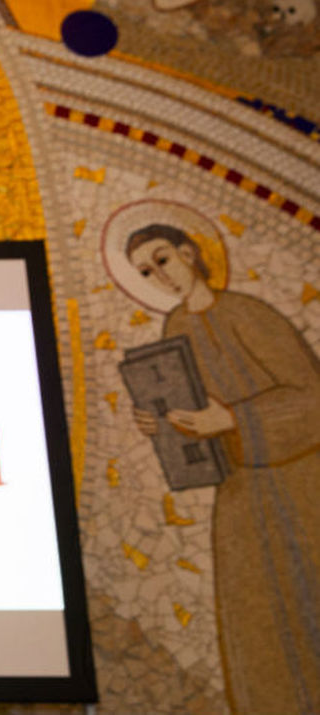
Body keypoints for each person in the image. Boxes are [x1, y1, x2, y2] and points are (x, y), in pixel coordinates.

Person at [127, 224, 320, 713]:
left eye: (163, 259)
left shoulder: (247, 314)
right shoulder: (174, 329)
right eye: (147, 271)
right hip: (241, 494)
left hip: (302, 482)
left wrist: (235, 418)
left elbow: (312, 399)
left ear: (190, 253)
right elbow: (195, 414)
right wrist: (164, 424)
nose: (160, 275)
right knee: (259, 617)